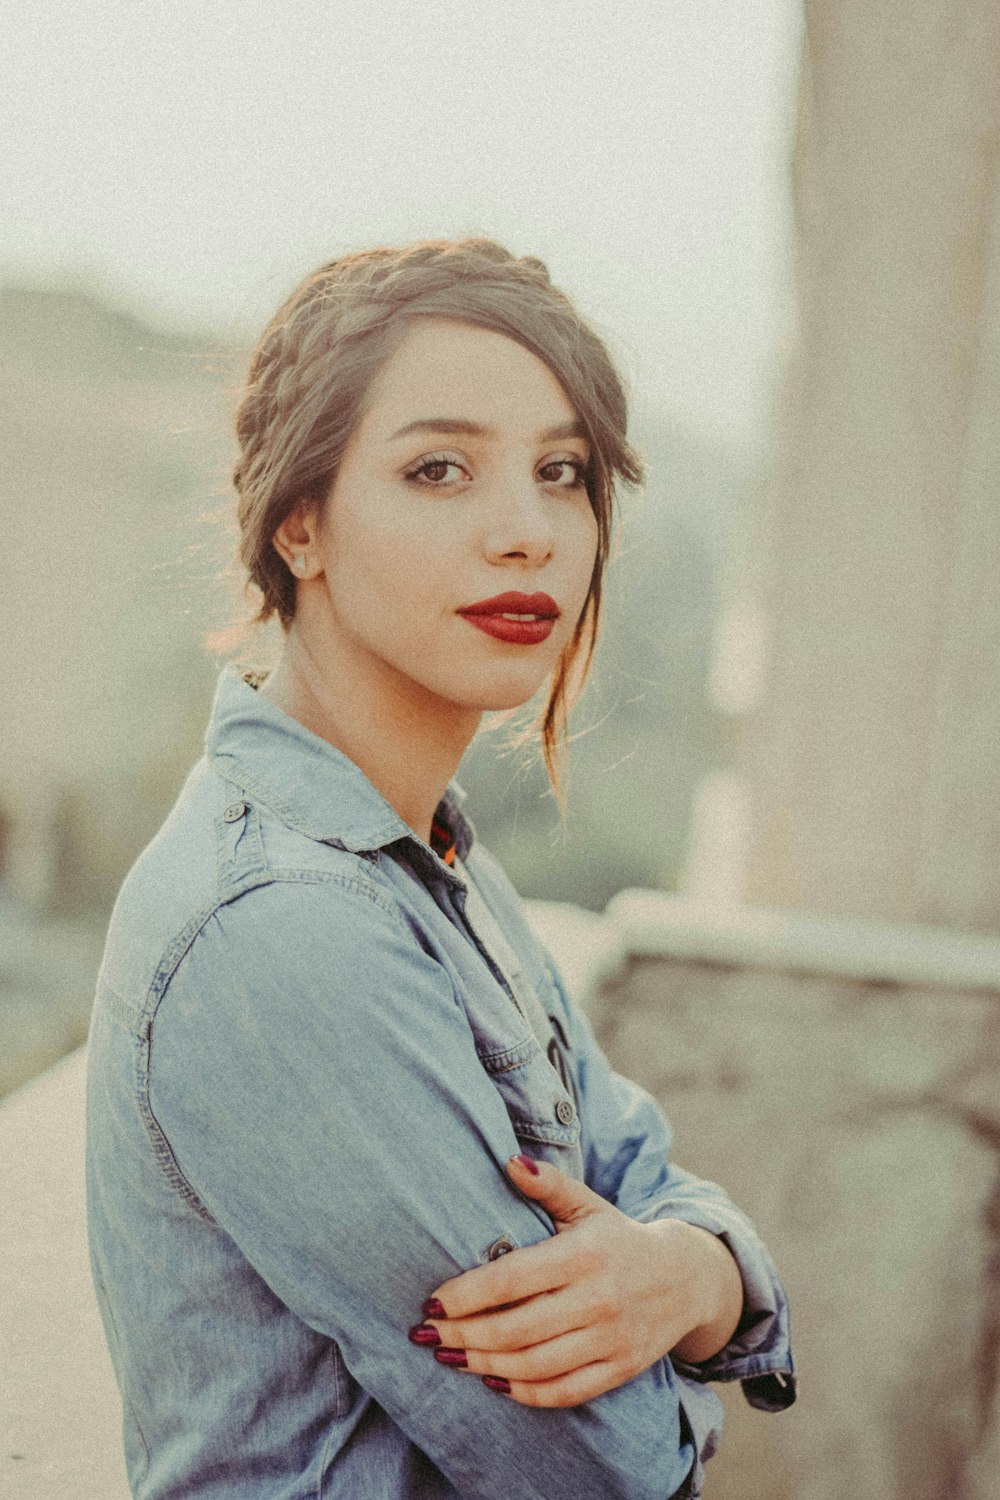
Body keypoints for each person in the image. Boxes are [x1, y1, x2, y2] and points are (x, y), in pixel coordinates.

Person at [85, 237, 795, 1500]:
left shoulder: (423, 851)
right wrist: (713, 1313)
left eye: (562, 473)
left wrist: (694, 1273)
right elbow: (595, 1464)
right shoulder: (285, 924)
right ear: (298, 522)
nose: (526, 534)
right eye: (439, 469)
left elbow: (634, 1157)